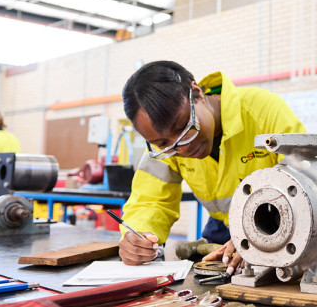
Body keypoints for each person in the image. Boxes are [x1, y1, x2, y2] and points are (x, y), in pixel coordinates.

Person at [118, 61, 305, 274]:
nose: (183, 148)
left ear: (196, 93)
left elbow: (304, 187)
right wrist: (138, 237)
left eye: (183, 128)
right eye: (163, 144)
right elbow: (149, 201)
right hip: (223, 230)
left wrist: (262, 237)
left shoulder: (262, 111)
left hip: (278, 227)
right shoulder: (166, 144)